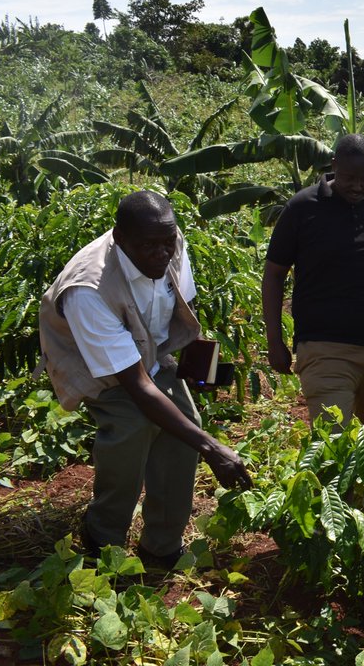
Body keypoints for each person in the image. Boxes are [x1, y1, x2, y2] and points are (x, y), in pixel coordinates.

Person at [37, 190, 252, 569]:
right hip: (95, 366)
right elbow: (135, 386)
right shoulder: (89, 288)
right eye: (148, 245)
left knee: (186, 429)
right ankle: (103, 538)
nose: (160, 253)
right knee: (132, 427)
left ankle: (162, 545)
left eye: (166, 242)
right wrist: (214, 450)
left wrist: (202, 373)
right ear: (120, 239)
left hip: (150, 350)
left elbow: (185, 307)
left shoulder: (170, 242)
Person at [262, 134, 364, 435]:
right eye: (349, 178)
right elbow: (274, 273)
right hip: (326, 349)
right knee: (333, 443)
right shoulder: (303, 206)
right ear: (334, 166)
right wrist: (274, 340)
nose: (358, 186)